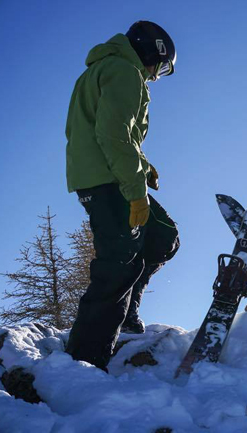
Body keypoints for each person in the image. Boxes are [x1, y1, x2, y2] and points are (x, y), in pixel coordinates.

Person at [64, 21, 180, 370]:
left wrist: (143, 166)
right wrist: (135, 192)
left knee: (162, 236)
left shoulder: (106, 68)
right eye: (160, 66)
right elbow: (113, 135)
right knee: (117, 264)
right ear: (151, 51)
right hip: (108, 181)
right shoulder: (124, 71)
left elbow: (109, 131)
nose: (156, 76)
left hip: (106, 175)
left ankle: (127, 315)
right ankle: (86, 359)